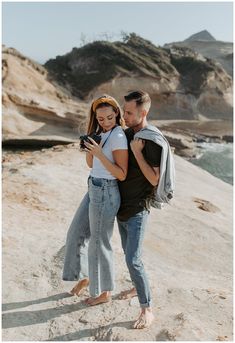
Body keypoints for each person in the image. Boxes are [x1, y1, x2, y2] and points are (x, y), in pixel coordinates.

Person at [63, 94, 128, 306]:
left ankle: (104, 292)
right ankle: (85, 276)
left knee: (100, 244)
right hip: (93, 187)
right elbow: (91, 165)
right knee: (74, 234)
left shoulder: (118, 136)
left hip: (107, 192)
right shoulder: (101, 132)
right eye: (101, 119)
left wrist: (100, 154)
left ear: (116, 113)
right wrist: (89, 148)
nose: (106, 122)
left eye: (110, 117)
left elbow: (121, 174)